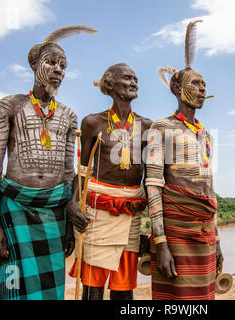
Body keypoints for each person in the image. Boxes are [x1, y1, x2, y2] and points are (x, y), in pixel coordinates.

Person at [0, 26, 97, 300]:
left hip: (54, 214)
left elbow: (70, 172)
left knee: (50, 288)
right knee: (13, 284)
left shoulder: (69, 116)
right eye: (52, 62)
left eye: (63, 66)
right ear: (34, 63)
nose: (58, 70)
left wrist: (70, 220)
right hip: (14, 211)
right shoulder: (10, 106)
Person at [145, 20, 224, 300]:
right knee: (176, 298)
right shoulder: (161, 127)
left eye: (204, 84)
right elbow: (153, 185)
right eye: (195, 83)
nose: (202, 89)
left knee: (202, 297)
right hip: (176, 228)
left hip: (204, 228)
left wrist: (216, 240)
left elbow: (209, 188)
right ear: (178, 89)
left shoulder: (205, 134)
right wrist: (161, 241)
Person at [68, 63, 152, 300]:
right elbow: (82, 169)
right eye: (127, 78)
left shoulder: (146, 125)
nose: (134, 82)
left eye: (136, 79)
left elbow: (152, 174)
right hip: (98, 209)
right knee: (92, 290)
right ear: (110, 83)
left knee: (124, 290)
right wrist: (73, 203)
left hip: (131, 210)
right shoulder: (93, 122)